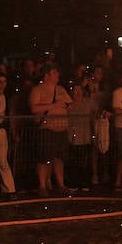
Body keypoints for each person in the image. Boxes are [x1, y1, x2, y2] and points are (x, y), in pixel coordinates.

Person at [29, 63, 72, 195]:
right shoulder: (37, 90)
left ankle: (61, 184)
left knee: (59, 159)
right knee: (44, 158)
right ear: (47, 75)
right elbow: (34, 108)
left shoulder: (61, 89)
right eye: (54, 72)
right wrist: (54, 105)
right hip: (47, 129)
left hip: (61, 129)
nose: (58, 75)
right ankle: (42, 186)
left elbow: (69, 104)